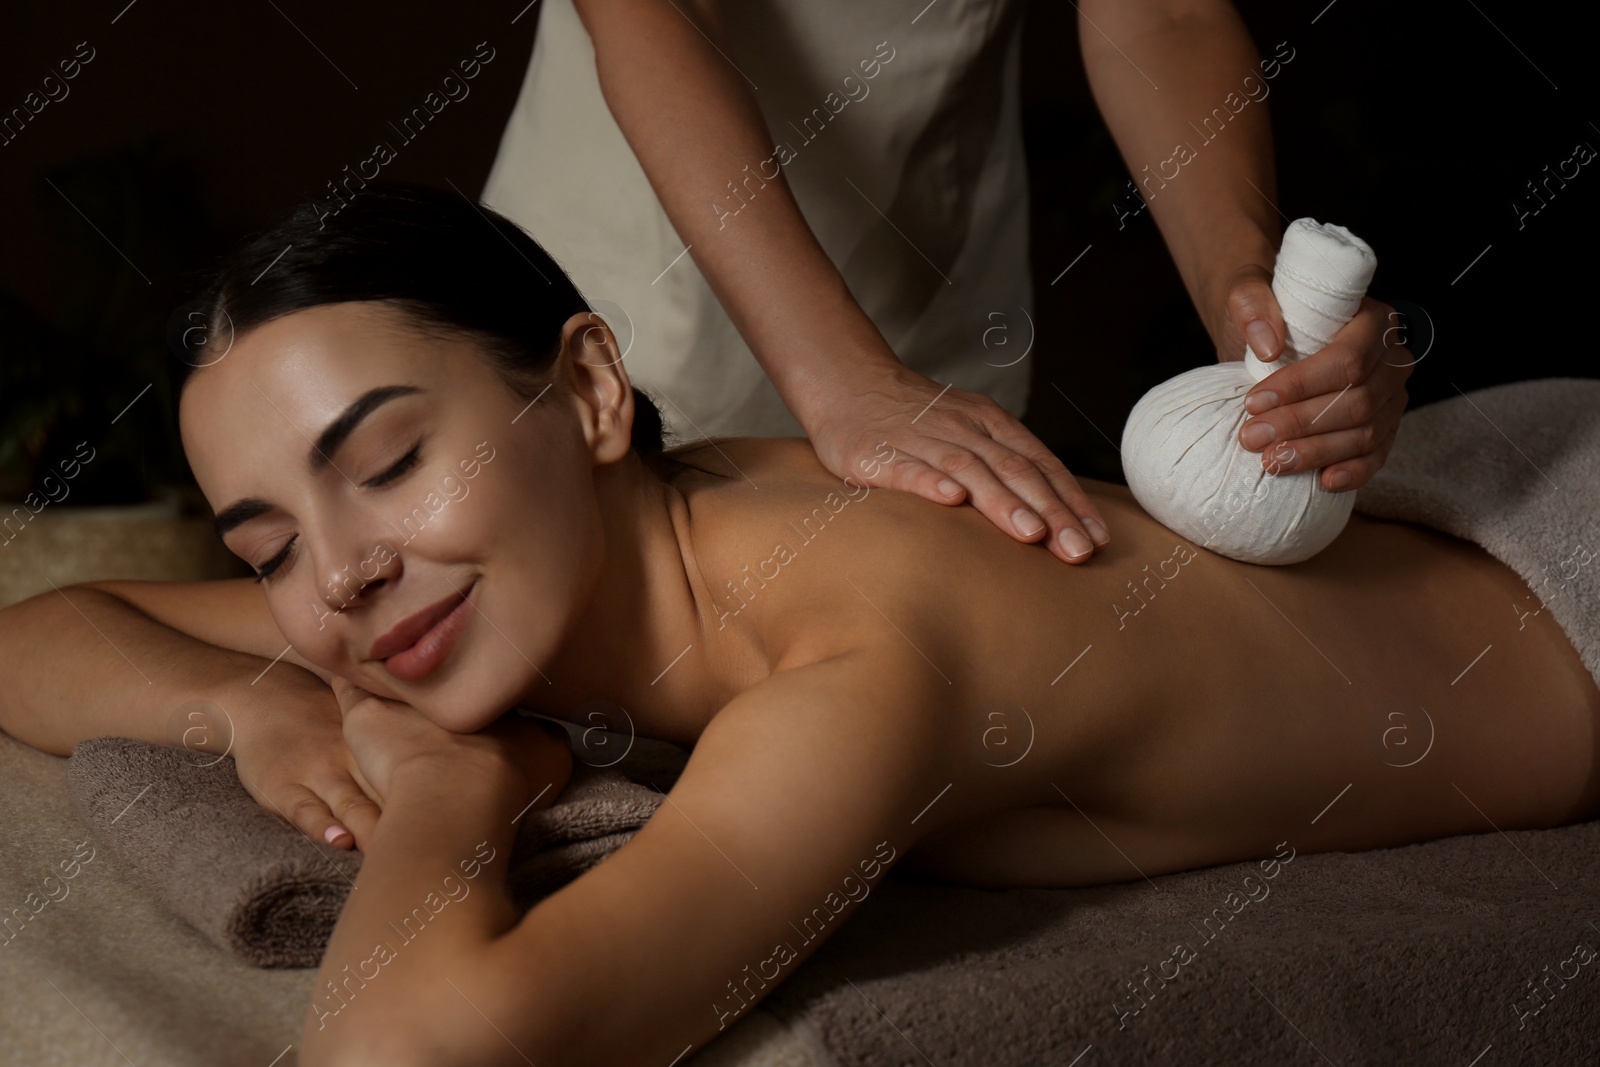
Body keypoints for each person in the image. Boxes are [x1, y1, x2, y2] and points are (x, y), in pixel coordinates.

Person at [0, 187, 1589, 1066]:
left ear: (595, 391)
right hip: (1434, 512)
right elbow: (43, 628)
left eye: (393, 463)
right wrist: (259, 712)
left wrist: (442, 794)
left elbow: (415, 1053)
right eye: (268, 544)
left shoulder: (855, 653)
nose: (334, 579)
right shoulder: (541, 561)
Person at [481, 0, 1413, 568]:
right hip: (629, 284)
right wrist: (842, 378)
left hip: (920, 291)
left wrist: (1248, 304)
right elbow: (654, 10)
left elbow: (1163, 13)